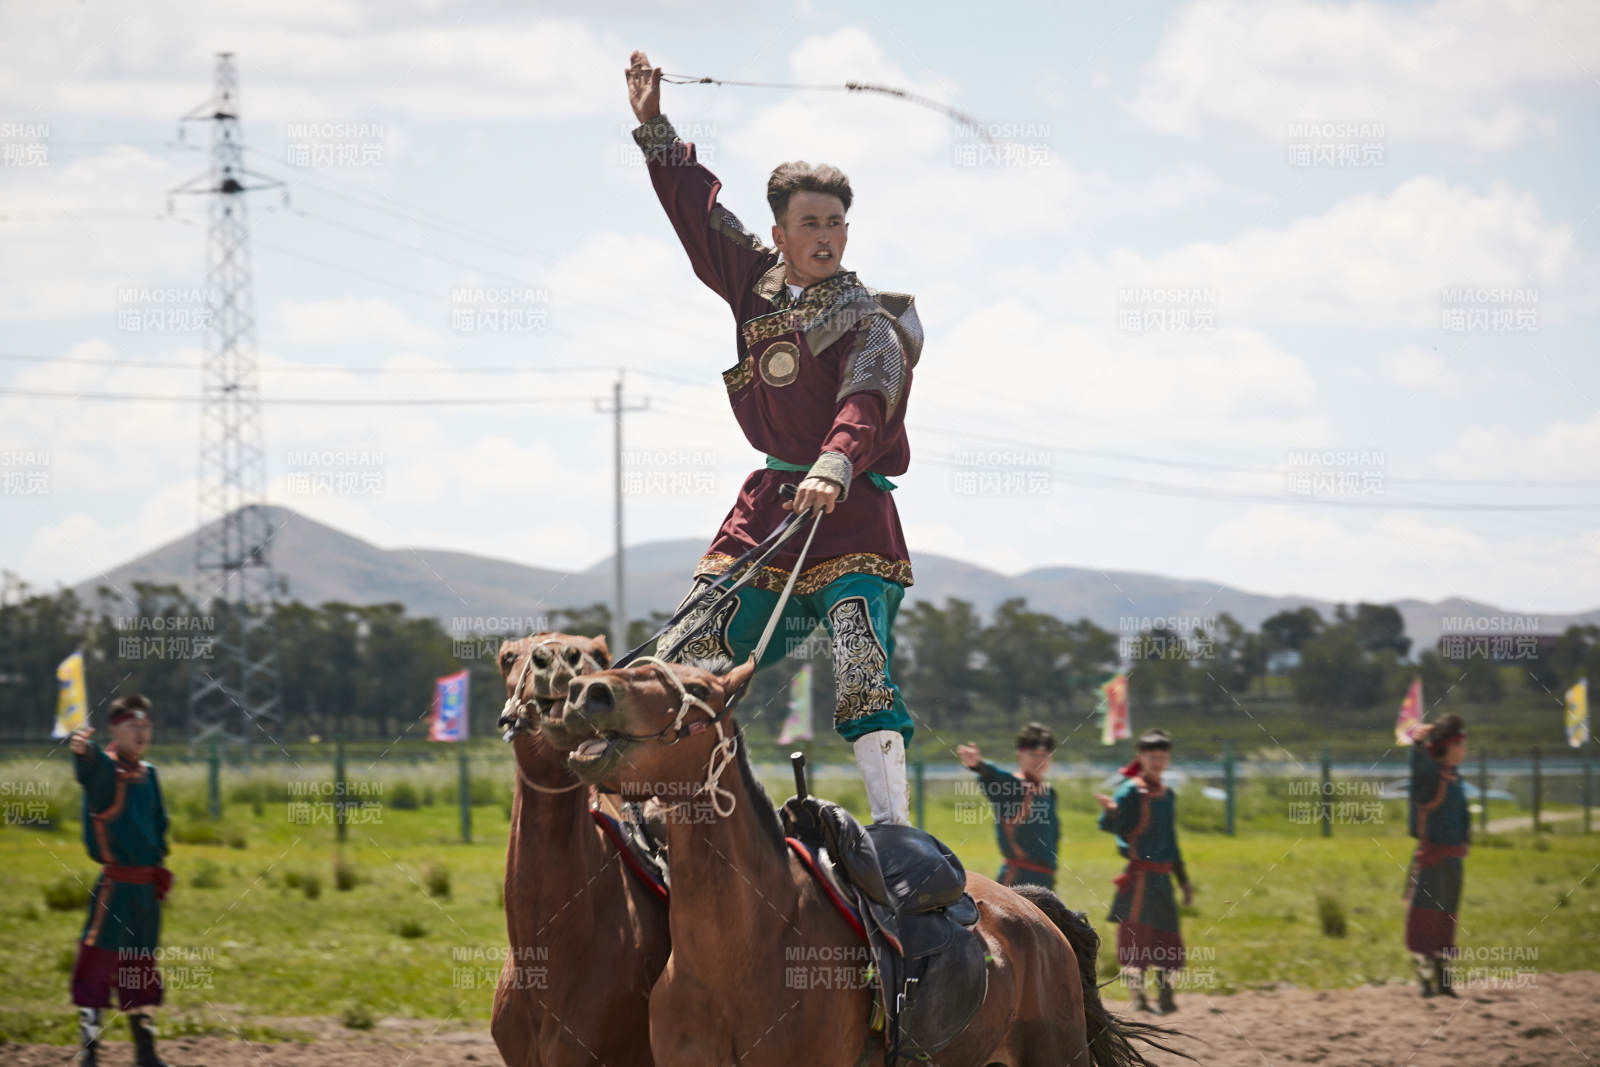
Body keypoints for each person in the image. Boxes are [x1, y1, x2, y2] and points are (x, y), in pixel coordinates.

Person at [625, 50, 924, 824]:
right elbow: (698, 208)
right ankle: (664, 815)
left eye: (835, 223)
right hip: (768, 512)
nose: (824, 236)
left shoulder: (872, 322)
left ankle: (894, 831)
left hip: (848, 514)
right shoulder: (751, 280)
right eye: (810, 223)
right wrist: (655, 128)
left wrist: (834, 463)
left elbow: (868, 400)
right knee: (690, 647)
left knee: (861, 661)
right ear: (780, 233)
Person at [67, 694, 173, 1067]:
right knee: (97, 964)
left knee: (140, 966)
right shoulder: (106, 772)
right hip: (117, 889)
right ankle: (89, 1053)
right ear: (115, 729)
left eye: (146, 726)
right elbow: (92, 771)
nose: (142, 733)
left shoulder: (151, 773)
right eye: (133, 726)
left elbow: (159, 826)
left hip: (146, 890)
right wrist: (84, 752)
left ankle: (146, 1053)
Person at [1095, 728, 1192, 1015]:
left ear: (1168, 758)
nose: (1157, 762)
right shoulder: (1130, 791)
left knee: (1168, 936)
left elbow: (1172, 841)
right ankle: (1138, 996)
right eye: (1152, 757)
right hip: (1138, 880)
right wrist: (1112, 812)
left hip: (1163, 879)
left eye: (1162, 757)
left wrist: (1183, 880)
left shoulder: (1168, 793)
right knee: (1136, 938)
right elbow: (1111, 826)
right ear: (1141, 757)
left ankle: (1166, 994)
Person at [1402, 715, 1469, 997]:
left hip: (1453, 861)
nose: (1464, 751)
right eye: (1461, 745)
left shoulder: (1455, 779)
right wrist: (1418, 742)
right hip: (1432, 861)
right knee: (1426, 918)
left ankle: (1444, 980)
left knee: (1446, 919)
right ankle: (1425, 979)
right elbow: (1420, 770)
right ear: (1448, 747)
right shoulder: (1431, 778)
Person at [956, 723, 1060, 888]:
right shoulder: (1012, 787)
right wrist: (978, 765)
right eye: (1033, 754)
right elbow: (994, 777)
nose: (1039, 760)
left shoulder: (1048, 792)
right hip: (1019, 879)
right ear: (1020, 755)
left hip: (1046, 879)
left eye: (1045, 755)